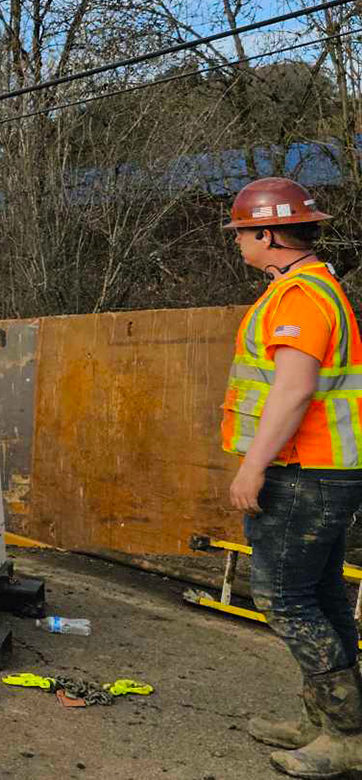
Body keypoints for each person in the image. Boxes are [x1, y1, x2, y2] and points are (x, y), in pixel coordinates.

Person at [219, 178, 362, 778]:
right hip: (326, 471)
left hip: (305, 472)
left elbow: (295, 388)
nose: (238, 243)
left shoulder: (301, 297)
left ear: (268, 233)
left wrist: (252, 466)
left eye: (242, 233)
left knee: (284, 597)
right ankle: (321, 720)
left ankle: (347, 735)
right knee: (323, 594)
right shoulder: (314, 289)